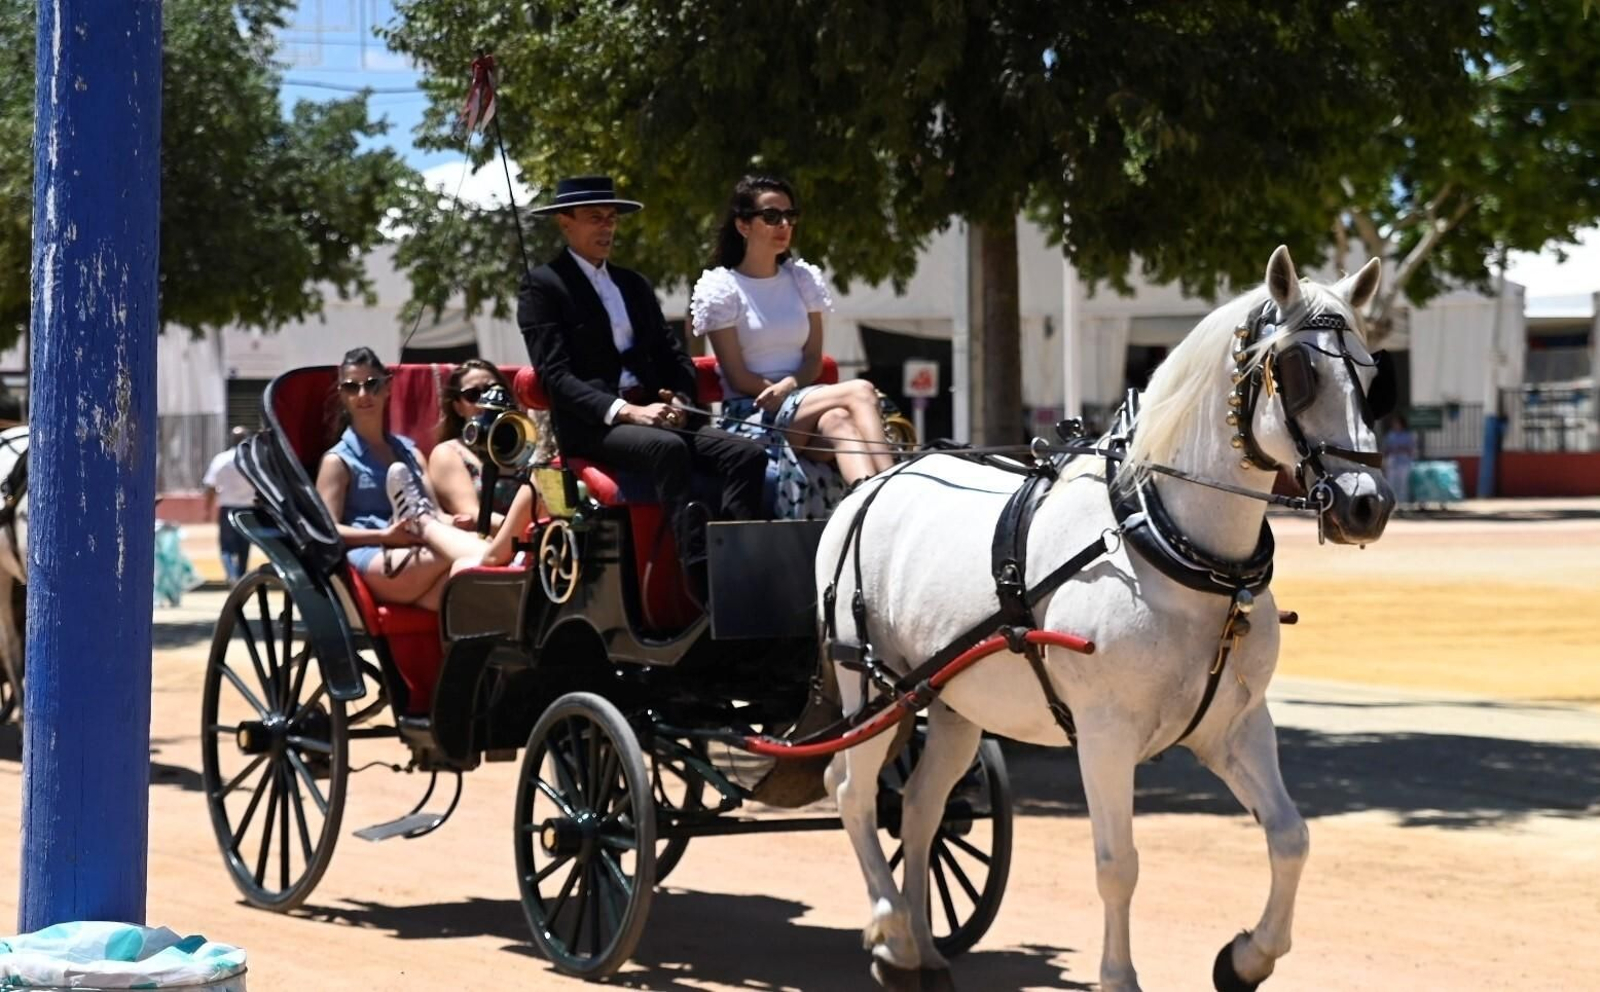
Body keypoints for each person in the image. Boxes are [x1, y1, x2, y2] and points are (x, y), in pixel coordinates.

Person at [518, 175, 767, 599]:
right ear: (565, 222)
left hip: (658, 416)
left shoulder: (633, 284)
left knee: (748, 454)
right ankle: (700, 579)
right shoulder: (543, 286)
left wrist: (680, 399)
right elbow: (556, 377)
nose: (606, 228)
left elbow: (674, 356)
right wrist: (627, 411)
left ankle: (739, 566)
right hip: (596, 426)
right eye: (595, 218)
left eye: (611, 219)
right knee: (666, 449)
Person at [691, 175, 895, 513]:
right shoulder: (721, 288)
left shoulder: (803, 280)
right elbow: (738, 377)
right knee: (859, 390)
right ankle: (893, 482)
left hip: (802, 405)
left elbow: (813, 359)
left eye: (790, 216)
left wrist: (790, 386)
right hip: (752, 414)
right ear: (743, 225)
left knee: (839, 420)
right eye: (771, 217)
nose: (784, 224)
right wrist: (785, 393)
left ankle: (869, 506)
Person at [314, 347, 488, 610]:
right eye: (352, 387)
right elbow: (326, 529)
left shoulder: (411, 452)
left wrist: (454, 522)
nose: (363, 395)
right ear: (342, 395)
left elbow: (437, 512)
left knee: (466, 572)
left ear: (387, 388)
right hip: (374, 555)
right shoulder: (338, 461)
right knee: (468, 553)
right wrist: (385, 534)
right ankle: (482, 549)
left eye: (372, 384)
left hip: (420, 549)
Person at [427, 359, 531, 533]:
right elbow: (472, 513)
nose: (486, 400)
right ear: (458, 407)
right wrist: (528, 531)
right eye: (473, 394)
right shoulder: (448, 453)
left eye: (493, 390)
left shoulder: (526, 446)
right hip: (487, 545)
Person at [202, 426, 255, 583]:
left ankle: (231, 574)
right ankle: (241, 575)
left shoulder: (221, 459)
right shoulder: (252, 459)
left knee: (226, 544)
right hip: (248, 509)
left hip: (228, 508)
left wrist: (207, 508)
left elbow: (211, 486)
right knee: (244, 544)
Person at [1382, 414, 1418, 505]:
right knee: (1391, 482)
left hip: (1404, 461)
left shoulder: (1408, 435)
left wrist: (1401, 449)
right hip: (1392, 461)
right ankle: (1393, 502)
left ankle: (1403, 502)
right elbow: (1386, 449)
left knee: (1403, 483)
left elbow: (1411, 449)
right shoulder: (1390, 435)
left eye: (1397, 423)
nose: (1395, 425)